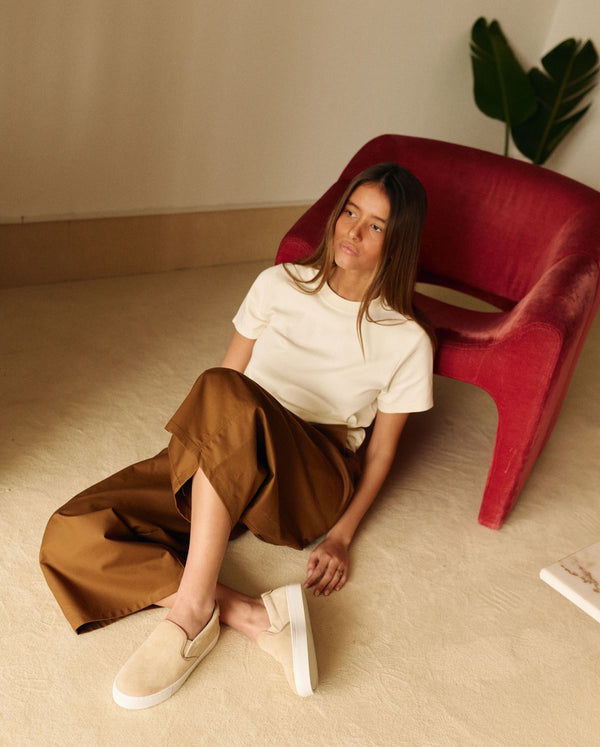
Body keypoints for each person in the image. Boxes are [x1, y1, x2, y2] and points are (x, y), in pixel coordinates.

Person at [39, 161, 434, 709]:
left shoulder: (406, 338)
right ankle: (252, 614)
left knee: (224, 392)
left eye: (375, 226)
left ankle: (190, 614)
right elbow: (227, 378)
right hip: (230, 439)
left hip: (309, 473)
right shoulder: (277, 284)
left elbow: (383, 451)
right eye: (350, 212)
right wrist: (199, 452)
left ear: (398, 242)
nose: (353, 231)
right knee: (70, 532)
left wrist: (341, 536)